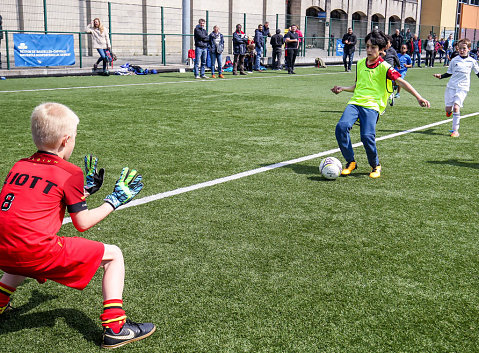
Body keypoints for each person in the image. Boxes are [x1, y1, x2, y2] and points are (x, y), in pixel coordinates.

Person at [0, 102, 155, 349]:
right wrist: (113, 201)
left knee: (20, 248)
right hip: (35, 252)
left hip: (3, 250)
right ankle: (115, 327)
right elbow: (81, 223)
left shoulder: (19, 166)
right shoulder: (69, 172)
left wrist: (82, 192)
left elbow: (40, 201)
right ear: (66, 140)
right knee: (113, 255)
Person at [331, 30, 430, 179]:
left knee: (366, 136)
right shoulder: (360, 64)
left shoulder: (385, 68)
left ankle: (375, 165)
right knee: (341, 127)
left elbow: (401, 81)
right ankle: (351, 162)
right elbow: (359, 86)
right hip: (355, 103)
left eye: (373, 47)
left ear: (381, 49)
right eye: (368, 46)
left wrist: (418, 97)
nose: (369, 50)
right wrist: (343, 89)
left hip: (372, 106)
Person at [433, 38, 479, 137]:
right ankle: (448, 111)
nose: (461, 50)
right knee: (448, 108)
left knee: (456, 108)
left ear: (469, 49)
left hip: (463, 88)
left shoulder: (472, 61)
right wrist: (441, 76)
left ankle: (455, 131)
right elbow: (449, 73)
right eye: (460, 48)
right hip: (451, 86)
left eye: (464, 48)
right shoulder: (454, 60)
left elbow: (478, 73)